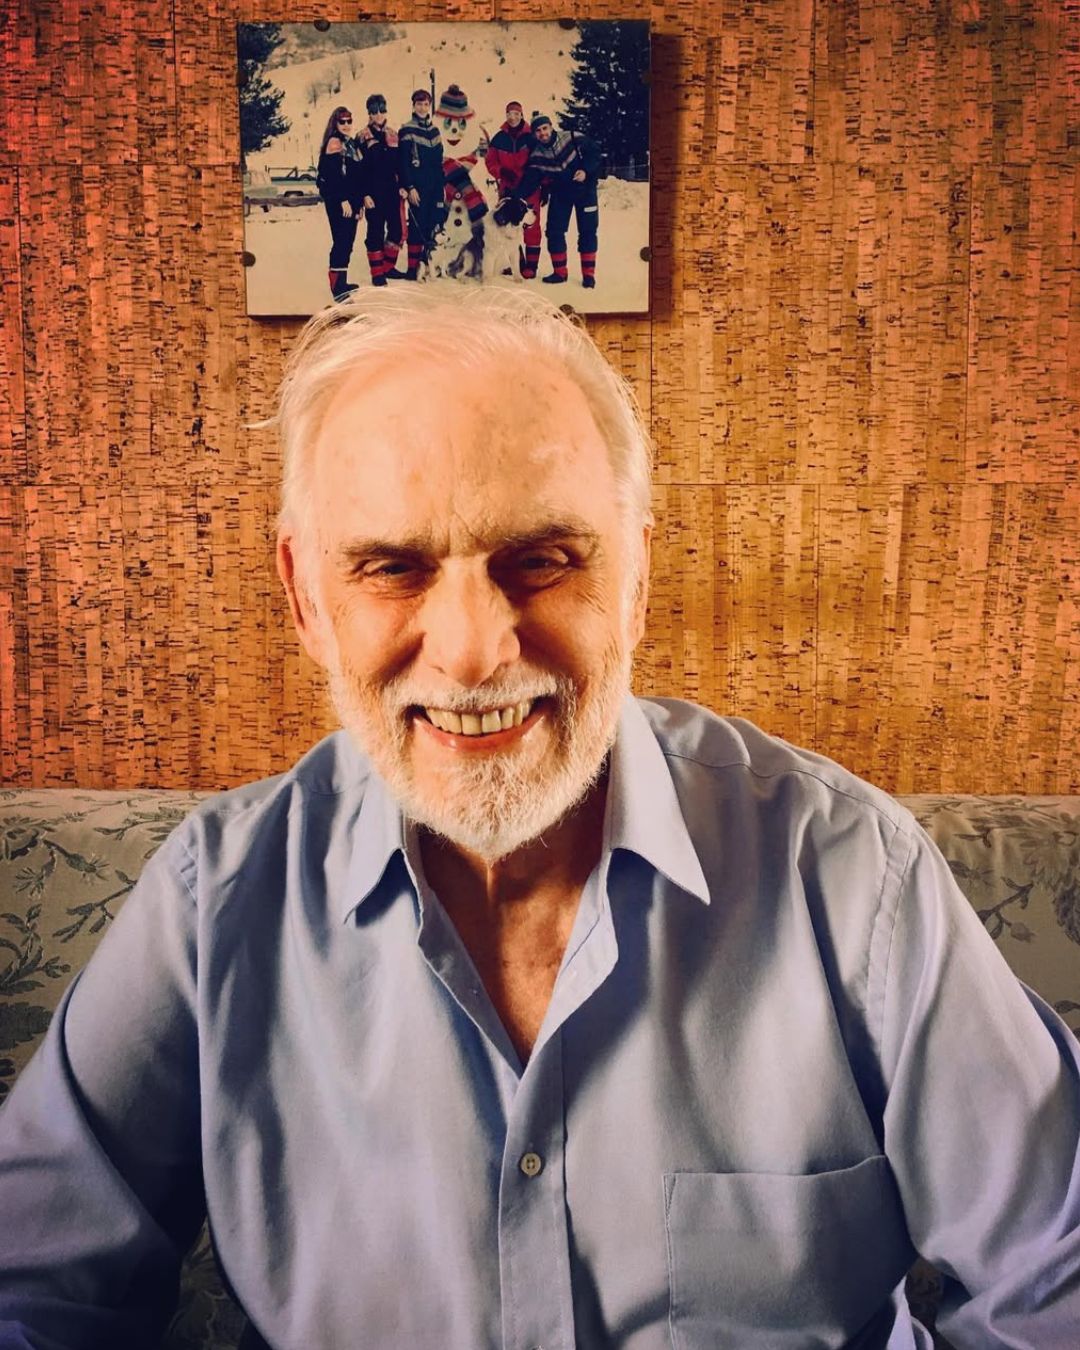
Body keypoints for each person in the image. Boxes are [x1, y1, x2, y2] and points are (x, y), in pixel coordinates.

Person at [1, 287, 1079, 1350]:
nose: (473, 651)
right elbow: (33, 1294)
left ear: (636, 578)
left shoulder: (851, 874)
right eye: (392, 568)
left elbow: (1056, 1287)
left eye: (543, 560)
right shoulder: (214, 905)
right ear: (307, 600)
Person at [518, 112, 602, 288]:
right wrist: (513, 196)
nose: (543, 133)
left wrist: (586, 170)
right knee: (554, 231)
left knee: (587, 231)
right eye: (538, 131)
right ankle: (560, 273)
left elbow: (594, 153)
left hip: (585, 190)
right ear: (534, 134)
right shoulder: (537, 156)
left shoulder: (572, 137)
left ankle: (588, 275)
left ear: (551, 127)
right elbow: (530, 181)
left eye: (545, 128)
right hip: (560, 193)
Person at [485, 100, 542, 279]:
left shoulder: (531, 137)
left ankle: (531, 266)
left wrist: (542, 184)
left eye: (516, 114)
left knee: (531, 225)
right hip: (508, 188)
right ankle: (518, 264)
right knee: (508, 225)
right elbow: (490, 161)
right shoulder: (498, 138)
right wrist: (501, 172)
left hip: (529, 187)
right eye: (509, 114)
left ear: (521, 115)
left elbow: (540, 161)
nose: (512, 117)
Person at [315, 105, 364, 300]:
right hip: (339, 200)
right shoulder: (334, 142)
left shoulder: (351, 144)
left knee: (348, 241)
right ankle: (337, 287)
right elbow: (333, 176)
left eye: (349, 121)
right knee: (342, 240)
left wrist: (358, 204)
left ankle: (342, 282)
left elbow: (357, 178)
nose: (346, 125)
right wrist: (343, 200)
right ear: (335, 123)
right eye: (342, 121)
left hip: (351, 201)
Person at [356, 93, 403, 288]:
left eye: (382, 110)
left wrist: (403, 186)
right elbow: (358, 170)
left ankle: (388, 267)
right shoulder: (362, 137)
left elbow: (400, 164)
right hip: (373, 193)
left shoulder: (393, 135)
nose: (378, 114)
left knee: (396, 230)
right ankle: (377, 274)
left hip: (392, 191)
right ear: (369, 113)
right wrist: (364, 194)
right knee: (375, 231)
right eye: (374, 111)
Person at [396, 88, 443, 280]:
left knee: (432, 225)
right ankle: (412, 268)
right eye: (419, 104)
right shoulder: (407, 130)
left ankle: (428, 265)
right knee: (417, 226)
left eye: (426, 104)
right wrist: (410, 187)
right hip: (417, 188)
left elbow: (439, 164)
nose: (422, 108)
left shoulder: (435, 131)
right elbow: (403, 163)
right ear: (413, 106)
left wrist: (440, 191)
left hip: (434, 187)